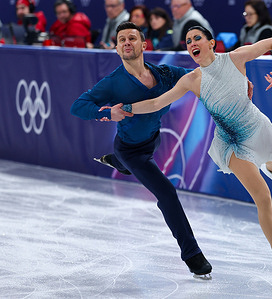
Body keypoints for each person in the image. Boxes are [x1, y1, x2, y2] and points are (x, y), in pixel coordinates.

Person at [120, 26, 272, 282]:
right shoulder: (192, 80)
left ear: (211, 43)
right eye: (188, 40)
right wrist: (127, 107)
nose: (192, 43)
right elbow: (158, 102)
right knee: (263, 196)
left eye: (197, 38)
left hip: (255, 127)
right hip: (230, 142)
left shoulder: (235, 58)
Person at [70, 22, 212, 279]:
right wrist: (105, 112)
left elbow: (200, 75)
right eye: (121, 39)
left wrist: (236, 82)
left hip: (153, 140)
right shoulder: (113, 84)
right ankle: (192, 255)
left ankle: (116, 162)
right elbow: (77, 106)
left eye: (132, 38)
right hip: (130, 149)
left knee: (131, 163)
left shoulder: (165, 74)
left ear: (143, 45)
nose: (126, 42)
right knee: (166, 192)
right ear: (116, 48)